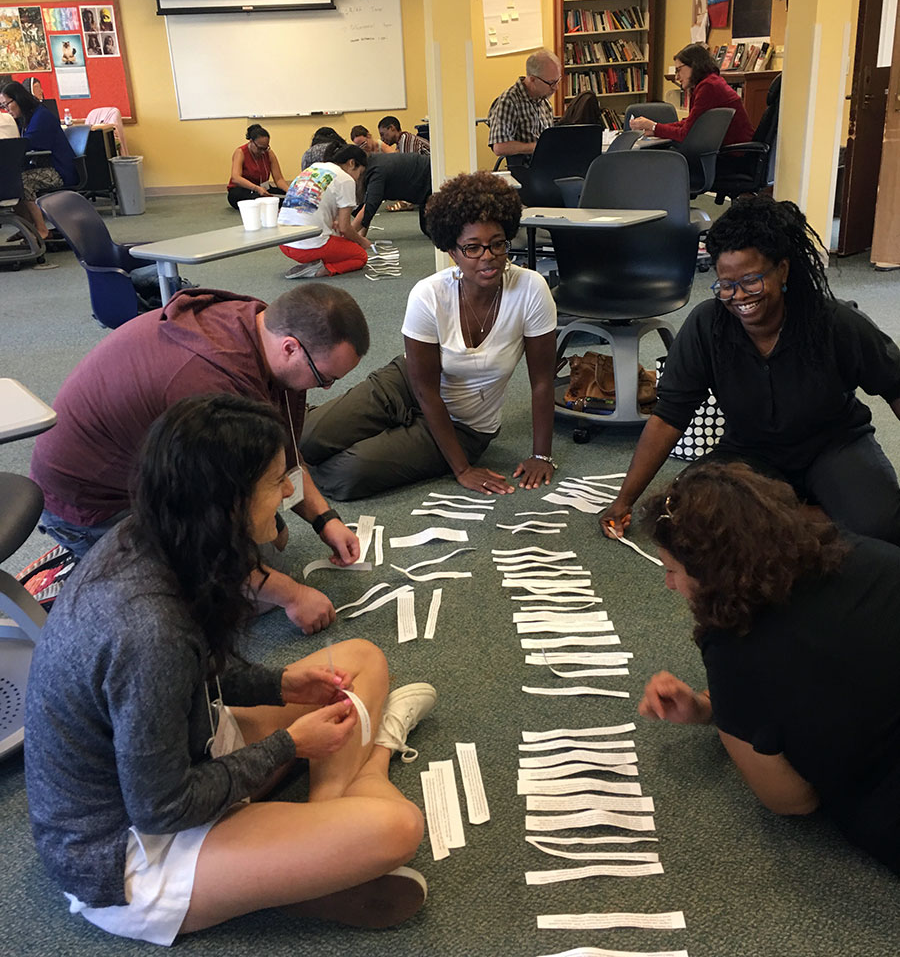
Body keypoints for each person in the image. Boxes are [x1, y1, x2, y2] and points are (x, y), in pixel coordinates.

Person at [25, 393, 436, 946]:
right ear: (228, 499)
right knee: (399, 828)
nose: (289, 491)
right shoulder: (146, 630)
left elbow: (194, 671)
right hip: (132, 850)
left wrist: (279, 683)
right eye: (275, 481)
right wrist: (291, 745)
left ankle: (317, 842)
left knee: (361, 658)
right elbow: (161, 806)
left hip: (183, 748)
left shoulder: (157, 537)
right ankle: (369, 770)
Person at [30, 284, 369, 634]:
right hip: (89, 504)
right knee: (240, 600)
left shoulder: (263, 326)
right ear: (290, 348)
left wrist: (323, 518)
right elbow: (206, 534)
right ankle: (87, 573)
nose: (325, 389)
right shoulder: (210, 385)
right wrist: (293, 596)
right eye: (326, 379)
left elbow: (282, 453)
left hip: (147, 468)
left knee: (270, 540)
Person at [638, 461, 900, 874]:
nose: (670, 584)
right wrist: (710, 707)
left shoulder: (733, 648)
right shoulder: (863, 551)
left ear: (710, 573)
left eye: (673, 571)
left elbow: (792, 801)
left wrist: (733, 721)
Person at [600, 197, 900, 547]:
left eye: (751, 281)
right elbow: (668, 417)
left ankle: (792, 517)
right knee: (685, 514)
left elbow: (895, 386)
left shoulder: (835, 323)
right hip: (751, 452)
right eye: (726, 284)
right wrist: (624, 500)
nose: (738, 296)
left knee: (881, 530)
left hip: (834, 445)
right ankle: (812, 517)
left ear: (783, 270)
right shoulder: (708, 325)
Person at [300, 171, 557, 500]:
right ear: (453, 251)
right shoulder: (429, 294)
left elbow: (541, 381)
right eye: (473, 248)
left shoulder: (531, 290)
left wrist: (541, 455)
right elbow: (424, 389)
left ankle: (356, 442)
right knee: (303, 438)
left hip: (466, 425)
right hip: (408, 384)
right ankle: (326, 426)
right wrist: (461, 472)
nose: (488, 256)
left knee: (346, 475)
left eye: (496, 244)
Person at [628, 43, 753, 147]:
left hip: (733, 157)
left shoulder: (708, 87)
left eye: (679, 70)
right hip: (730, 151)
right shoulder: (710, 83)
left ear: (694, 65)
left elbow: (686, 133)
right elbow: (690, 123)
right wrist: (654, 128)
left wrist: (654, 127)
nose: (677, 77)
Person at [278, 141, 372, 279]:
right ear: (352, 163)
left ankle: (313, 262)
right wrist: (361, 241)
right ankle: (319, 270)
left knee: (336, 237)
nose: (358, 178)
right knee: (360, 256)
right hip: (306, 247)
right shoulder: (346, 179)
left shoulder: (314, 168)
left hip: (282, 242)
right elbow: (345, 228)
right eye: (360, 172)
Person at [0, 80, 76, 241]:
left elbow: (27, 144)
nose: (6, 110)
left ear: (18, 99)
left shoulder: (41, 116)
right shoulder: (27, 118)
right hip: (44, 166)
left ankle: (42, 230)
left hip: (59, 170)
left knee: (22, 181)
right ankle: (28, 227)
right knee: (12, 180)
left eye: (7, 105)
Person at [487, 48, 561, 166]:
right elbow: (499, 147)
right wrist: (536, 147)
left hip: (546, 164)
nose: (556, 88)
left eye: (558, 81)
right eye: (551, 83)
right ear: (532, 79)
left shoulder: (544, 101)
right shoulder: (509, 101)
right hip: (525, 167)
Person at [352, 151, 433, 237]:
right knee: (427, 228)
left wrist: (346, 238)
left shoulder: (376, 173)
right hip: (423, 183)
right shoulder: (372, 164)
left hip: (429, 182)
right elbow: (367, 208)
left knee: (432, 230)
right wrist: (359, 237)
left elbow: (368, 209)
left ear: (352, 164)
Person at [226, 124, 290, 209]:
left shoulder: (269, 153)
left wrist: (289, 191)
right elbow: (236, 178)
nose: (263, 152)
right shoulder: (240, 152)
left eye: (265, 148)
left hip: (263, 188)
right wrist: (256, 188)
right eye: (260, 148)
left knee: (285, 194)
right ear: (251, 141)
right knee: (259, 199)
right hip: (242, 190)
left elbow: (278, 179)